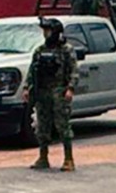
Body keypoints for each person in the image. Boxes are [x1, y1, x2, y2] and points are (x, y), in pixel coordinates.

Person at [24, 17, 77, 172]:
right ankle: (43, 157)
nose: (45, 33)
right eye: (44, 31)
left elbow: (74, 70)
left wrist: (70, 88)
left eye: (48, 30)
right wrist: (27, 88)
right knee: (42, 125)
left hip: (59, 91)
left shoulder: (66, 50)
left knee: (62, 125)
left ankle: (68, 159)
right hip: (42, 92)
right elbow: (32, 70)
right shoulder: (40, 50)